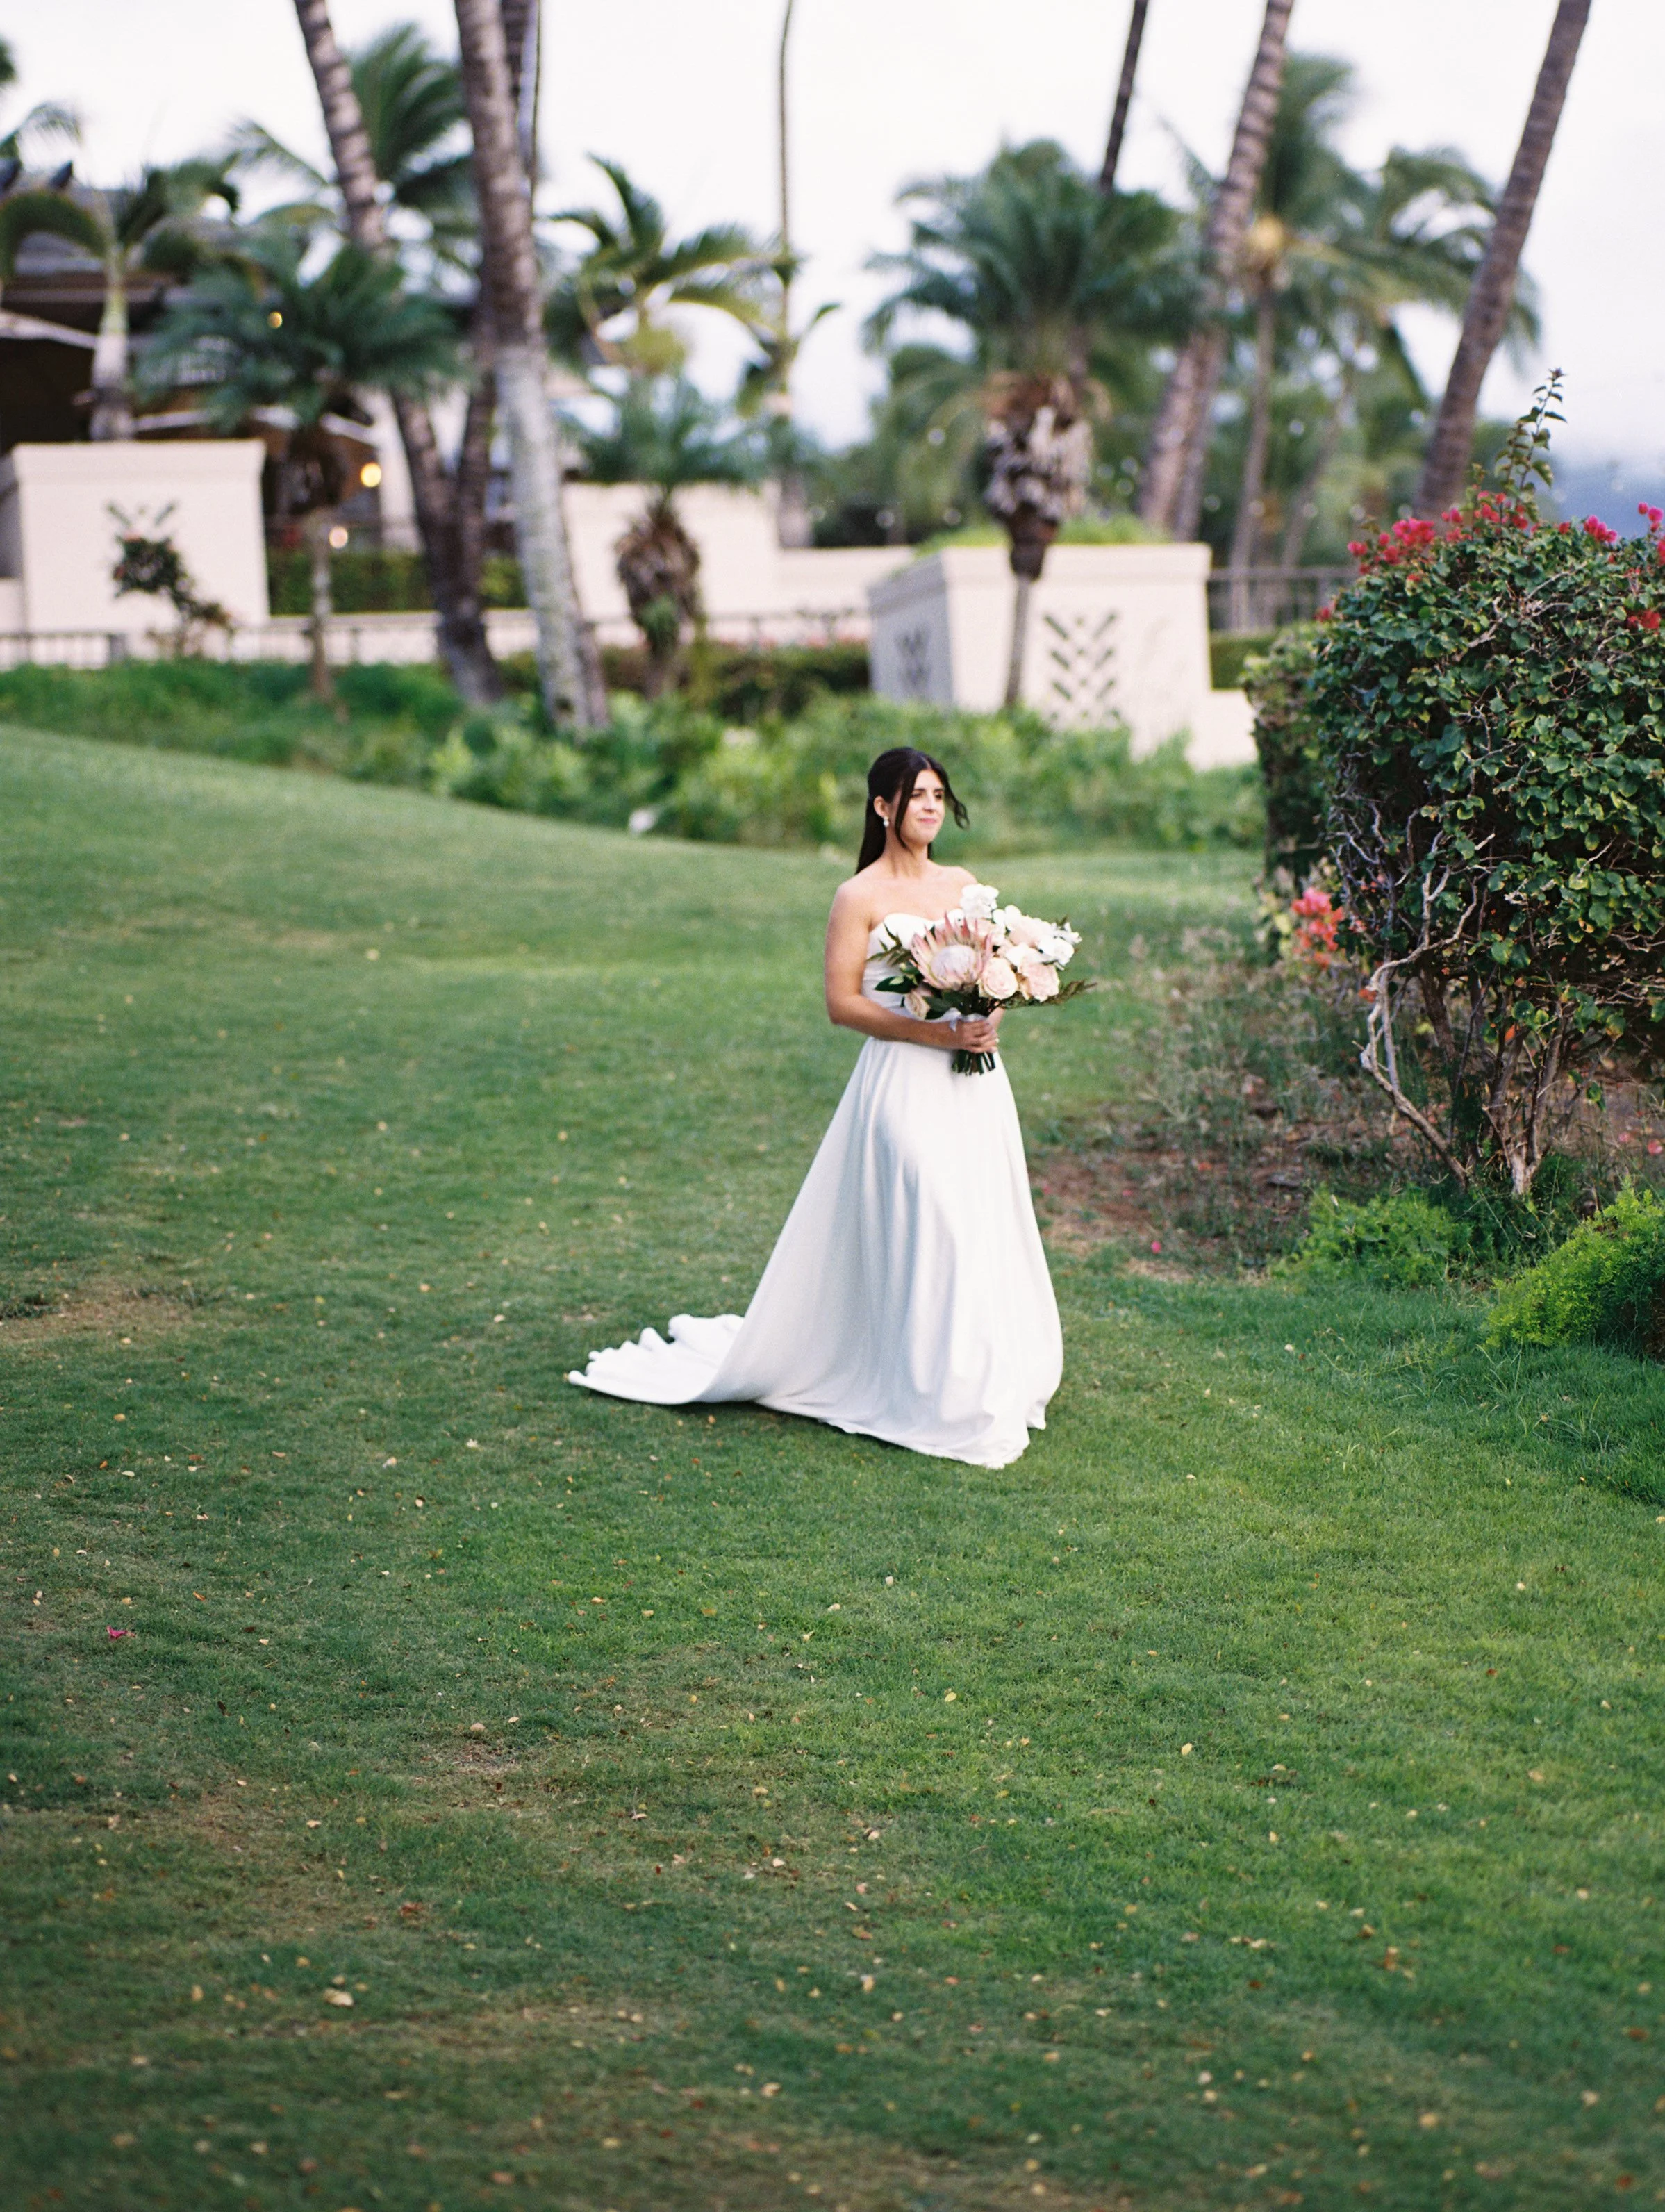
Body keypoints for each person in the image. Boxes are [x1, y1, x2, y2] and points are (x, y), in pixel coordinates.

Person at [567, 745, 1063, 1467]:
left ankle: (982, 1371)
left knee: (979, 1216)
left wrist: (988, 1015)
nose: (930, 806)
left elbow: (997, 971)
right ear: (883, 808)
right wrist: (936, 1034)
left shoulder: (964, 886)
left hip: (973, 1082)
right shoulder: (857, 896)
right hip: (902, 1079)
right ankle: (938, 1389)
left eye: (937, 794)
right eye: (916, 796)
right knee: (931, 1210)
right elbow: (842, 1003)